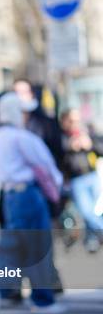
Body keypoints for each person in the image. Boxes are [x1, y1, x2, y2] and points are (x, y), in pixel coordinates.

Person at [0, 92, 65, 314]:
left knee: (10, 247)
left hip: (9, 197)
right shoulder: (23, 138)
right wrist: (57, 190)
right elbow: (47, 166)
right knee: (38, 247)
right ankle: (42, 300)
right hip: (28, 195)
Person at [60, 108, 103, 252]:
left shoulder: (87, 133)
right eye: (72, 121)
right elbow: (57, 159)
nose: (75, 124)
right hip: (76, 179)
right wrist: (70, 147)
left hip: (91, 176)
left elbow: (100, 149)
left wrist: (90, 145)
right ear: (65, 121)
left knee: (94, 211)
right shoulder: (61, 138)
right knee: (86, 211)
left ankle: (92, 239)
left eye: (78, 120)